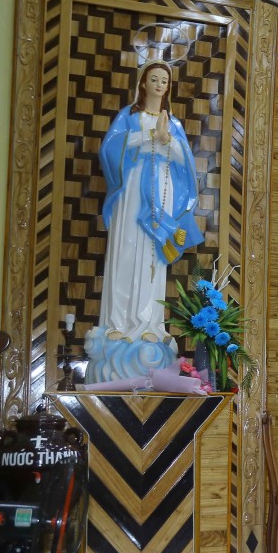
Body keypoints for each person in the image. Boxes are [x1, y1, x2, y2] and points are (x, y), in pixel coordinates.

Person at [87, 60, 204, 382]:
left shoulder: (174, 123)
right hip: (133, 193)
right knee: (126, 251)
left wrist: (168, 140)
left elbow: (186, 164)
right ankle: (119, 323)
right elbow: (110, 151)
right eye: (153, 79)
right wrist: (148, 135)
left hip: (161, 195)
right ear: (143, 83)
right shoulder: (130, 116)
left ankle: (150, 323)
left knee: (154, 258)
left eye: (164, 80)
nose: (159, 84)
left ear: (168, 87)